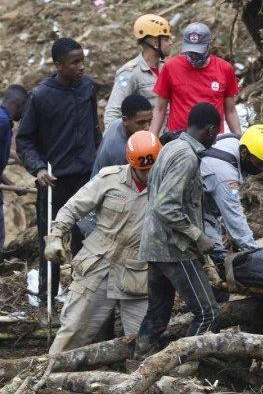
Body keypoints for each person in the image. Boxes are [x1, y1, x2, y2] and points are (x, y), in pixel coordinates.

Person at [44, 131, 161, 353]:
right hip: (97, 266)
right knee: (71, 335)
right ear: (132, 162)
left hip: (136, 272)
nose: (148, 174)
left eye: (152, 168)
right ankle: (49, 379)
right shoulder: (109, 179)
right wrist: (56, 236)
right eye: (143, 169)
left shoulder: (165, 188)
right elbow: (72, 207)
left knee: (143, 343)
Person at [16, 37, 101, 303]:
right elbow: (25, 140)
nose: (81, 67)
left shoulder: (87, 88)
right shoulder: (40, 96)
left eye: (82, 61)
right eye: (75, 62)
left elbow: (94, 131)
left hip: (86, 179)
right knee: (50, 241)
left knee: (86, 237)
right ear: (58, 65)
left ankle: (82, 295)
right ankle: (47, 298)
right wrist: (38, 169)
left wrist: (98, 160)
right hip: (54, 181)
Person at [135, 102, 223, 357]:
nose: (214, 138)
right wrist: (198, 236)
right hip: (175, 248)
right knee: (208, 313)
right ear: (209, 130)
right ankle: (179, 364)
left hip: (154, 243)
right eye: (215, 133)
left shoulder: (170, 146)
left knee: (158, 312)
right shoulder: (186, 156)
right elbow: (166, 206)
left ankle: (140, 362)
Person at [201, 124, 263, 267]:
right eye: (259, 163)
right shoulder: (225, 174)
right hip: (193, 212)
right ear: (244, 152)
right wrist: (255, 252)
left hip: (206, 203)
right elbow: (234, 216)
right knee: (218, 260)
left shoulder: (235, 141)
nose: (261, 168)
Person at [149, 23, 241, 136]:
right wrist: (151, 139)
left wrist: (239, 139)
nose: (194, 55)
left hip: (212, 140)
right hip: (179, 138)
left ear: (208, 45)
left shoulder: (225, 69)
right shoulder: (171, 67)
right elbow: (159, 109)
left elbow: (230, 110)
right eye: (190, 50)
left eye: (198, 51)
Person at [104, 14, 172, 129]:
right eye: (166, 39)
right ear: (155, 43)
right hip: (146, 142)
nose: (171, 43)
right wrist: (114, 142)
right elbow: (113, 112)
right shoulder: (129, 72)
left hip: (170, 141)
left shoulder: (167, 69)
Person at [92, 94, 154, 176]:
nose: (147, 127)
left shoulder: (118, 123)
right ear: (125, 120)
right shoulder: (120, 151)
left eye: (149, 121)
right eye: (141, 123)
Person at [0, 85, 30, 253]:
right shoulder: (3, 122)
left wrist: (14, 155)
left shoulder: (3, 119)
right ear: (19, 104)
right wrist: (13, 185)